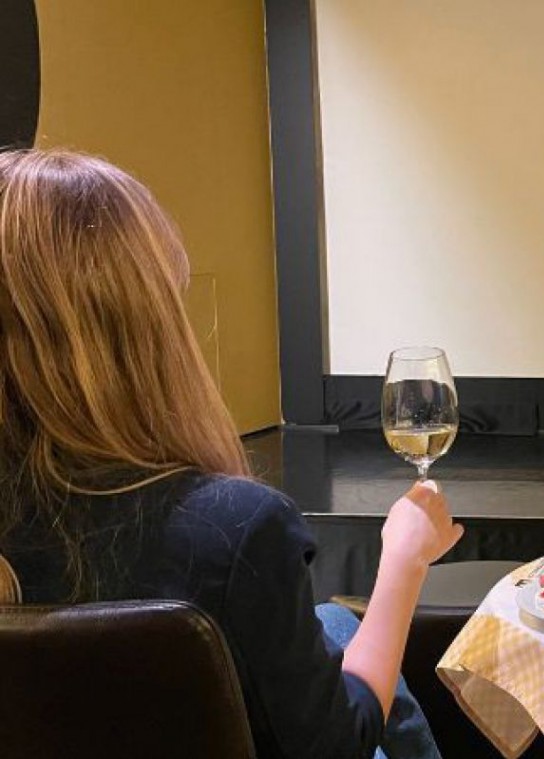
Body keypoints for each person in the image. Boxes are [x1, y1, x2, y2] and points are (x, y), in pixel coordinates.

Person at [0, 148, 463, 758]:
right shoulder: (234, 530)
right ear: (146, 325)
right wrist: (402, 562)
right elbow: (338, 744)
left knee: (333, 625)